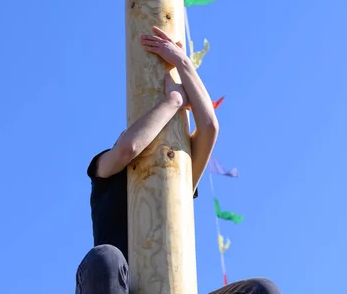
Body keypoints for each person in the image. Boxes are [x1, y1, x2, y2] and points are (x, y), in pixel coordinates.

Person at [76, 26, 280, 294]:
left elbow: (209, 127)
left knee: (262, 289)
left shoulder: (178, 179)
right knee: (105, 259)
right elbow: (131, 147)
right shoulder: (104, 172)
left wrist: (183, 62)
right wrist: (173, 100)